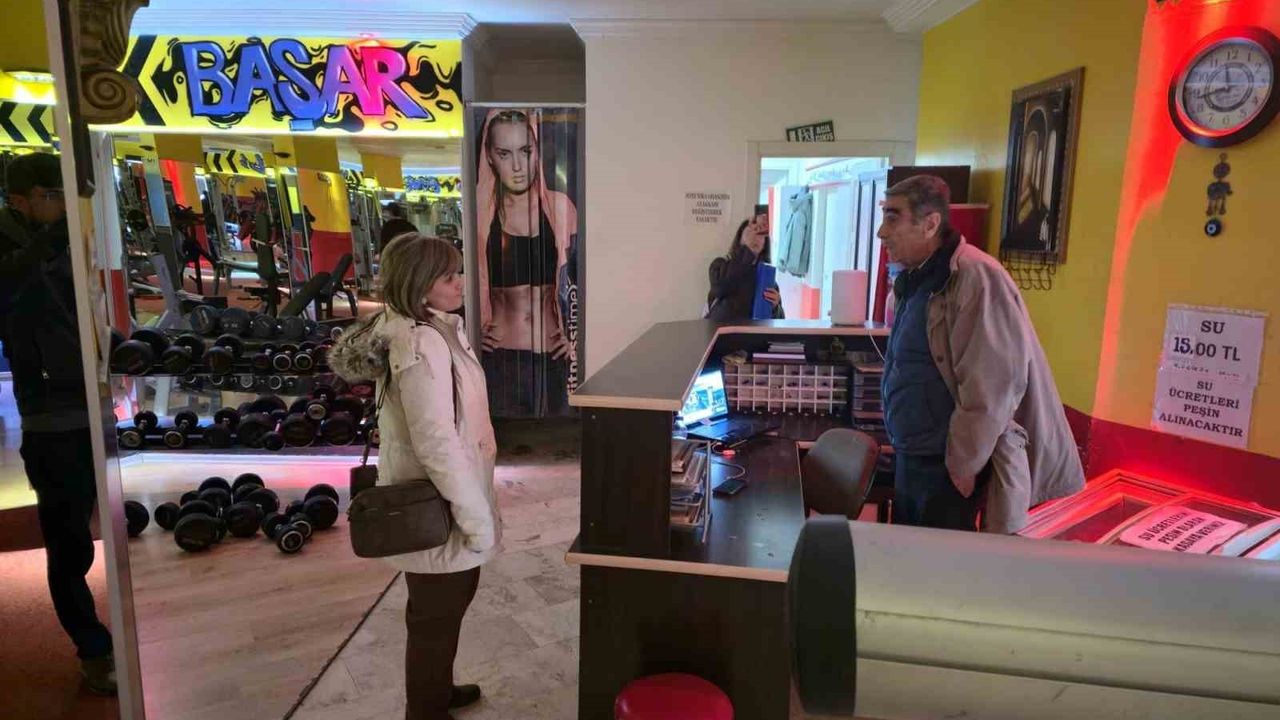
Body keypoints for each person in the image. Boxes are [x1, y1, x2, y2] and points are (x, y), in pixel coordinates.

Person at [329, 233, 499, 720]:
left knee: (442, 607)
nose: (460, 282)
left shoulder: (433, 329)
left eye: (458, 271)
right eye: (448, 276)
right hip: (439, 498)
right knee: (434, 615)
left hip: (445, 491)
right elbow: (436, 441)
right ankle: (425, 710)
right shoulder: (421, 341)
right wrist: (475, 516)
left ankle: (436, 690)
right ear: (419, 283)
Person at [876, 175, 1083, 533]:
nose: (882, 232)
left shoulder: (975, 277)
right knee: (911, 557)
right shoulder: (917, 279)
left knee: (944, 562)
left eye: (893, 218)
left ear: (930, 224)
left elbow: (992, 387)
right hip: (915, 456)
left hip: (949, 467)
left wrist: (962, 466)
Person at [0, 153, 116, 694]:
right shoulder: (14, 251)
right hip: (49, 416)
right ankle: (93, 650)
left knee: (104, 528)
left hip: (92, 402)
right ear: (19, 200)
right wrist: (54, 239)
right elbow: (13, 289)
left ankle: (121, 637)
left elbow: (83, 312)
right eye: (51, 196)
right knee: (69, 545)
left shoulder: (71, 241)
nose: (60, 205)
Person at [476, 108, 579, 417]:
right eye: (504, 154)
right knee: (507, 444)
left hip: (554, 354)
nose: (518, 166)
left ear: (537, 151)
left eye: (525, 151)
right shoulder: (481, 215)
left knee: (560, 441)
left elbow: (581, 278)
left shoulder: (560, 208)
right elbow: (466, 281)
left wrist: (577, 337)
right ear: (490, 157)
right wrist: (473, 332)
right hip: (502, 356)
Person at [704, 216, 784, 322]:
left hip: (754, 332)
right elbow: (720, 288)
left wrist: (775, 307)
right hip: (723, 330)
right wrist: (749, 250)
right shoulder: (720, 265)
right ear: (740, 239)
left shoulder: (767, 278)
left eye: (759, 234)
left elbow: (778, 322)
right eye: (749, 233)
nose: (754, 237)